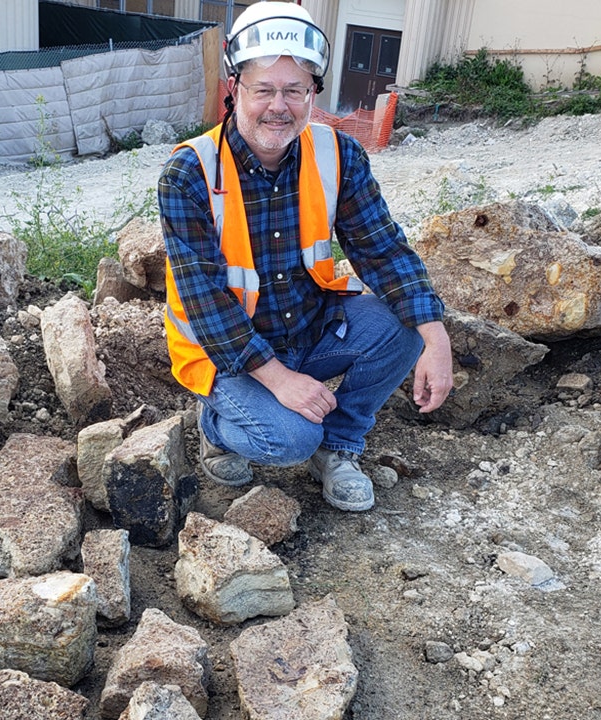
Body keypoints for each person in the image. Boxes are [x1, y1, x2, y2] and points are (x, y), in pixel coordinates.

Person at [159, 1, 452, 512]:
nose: (280, 105)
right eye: (264, 90)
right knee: (289, 440)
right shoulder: (191, 173)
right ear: (235, 91)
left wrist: (436, 336)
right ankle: (216, 427)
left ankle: (339, 447)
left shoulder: (337, 154)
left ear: (312, 93)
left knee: (405, 324)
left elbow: (381, 248)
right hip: (227, 355)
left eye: (294, 90)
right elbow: (205, 300)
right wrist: (280, 380)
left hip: (308, 329)